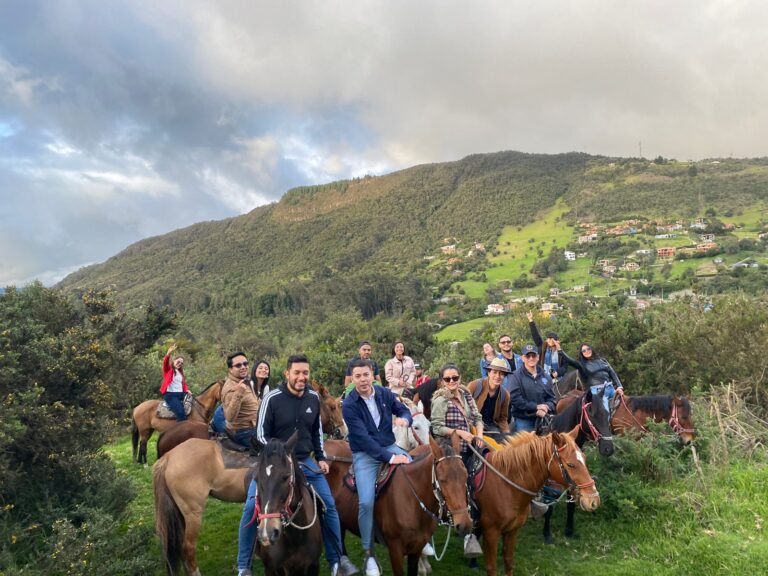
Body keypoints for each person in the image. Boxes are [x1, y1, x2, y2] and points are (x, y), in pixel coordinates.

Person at [236, 355, 359, 576]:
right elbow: (261, 434)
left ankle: (337, 559)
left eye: (305, 373)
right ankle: (244, 565)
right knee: (249, 508)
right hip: (274, 462)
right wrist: (282, 453)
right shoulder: (271, 399)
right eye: (297, 373)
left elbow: (316, 432)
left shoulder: (313, 398)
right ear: (287, 374)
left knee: (329, 505)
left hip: (304, 460)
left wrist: (320, 456)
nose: (302, 377)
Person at [342, 359, 413, 576]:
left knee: (417, 475)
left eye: (366, 375)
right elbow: (363, 440)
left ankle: (420, 535)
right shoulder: (349, 404)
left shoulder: (383, 393)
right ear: (352, 380)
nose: (363, 380)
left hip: (389, 445)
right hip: (365, 454)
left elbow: (403, 409)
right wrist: (391, 459)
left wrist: (405, 419)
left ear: (372, 374)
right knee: (365, 502)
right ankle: (368, 551)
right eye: (358, 376)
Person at [429, 364, 484, 560]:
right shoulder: (440, 399)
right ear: (442, 381)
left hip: (472, 443)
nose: (452, 382)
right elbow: (436, 427)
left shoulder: (466, 394)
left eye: (455, 377)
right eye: (447, 379)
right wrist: (460, 433)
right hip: (450, 448)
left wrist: (479, 434)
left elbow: (477, 417)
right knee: (464, 483)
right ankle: (468, 534)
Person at [558, 342, 624, 414]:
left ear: (591, 349)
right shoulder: (581, 365)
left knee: (625, 405)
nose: (586, 351)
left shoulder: (603, 360)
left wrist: (619, 387)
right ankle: (605, 425)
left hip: (610, 389)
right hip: (597, 392)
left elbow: (612, 373)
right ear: (581, 353)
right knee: (605, 413)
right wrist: (560, 350)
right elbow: (570, 360)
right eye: (584, 351)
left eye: (588, 349)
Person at [213, 358, 272, 435]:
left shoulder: (266, 388)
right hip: (224, 413)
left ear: (268, 373)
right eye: (260, 368)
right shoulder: (248, 383)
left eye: (266, 369)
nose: (263, 370)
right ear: (254, 370)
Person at [507, 344, 556, 433]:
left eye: (533, 355)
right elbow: (515, 399)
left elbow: (552, 398)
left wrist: (546, 407)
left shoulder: (546, 376)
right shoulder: (515, 376)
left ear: (537, 357)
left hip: (544, 418)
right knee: (526, 446)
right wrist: (536, 407)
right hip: (524, 419)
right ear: (522, 358)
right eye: (528, 356)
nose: (531, 358)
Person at [220, 352, 260, 446]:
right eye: (238, 365)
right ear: (230, 369)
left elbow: (253, 402)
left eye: (245, 364)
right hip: (245, 432)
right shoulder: (231, 388)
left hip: (253, 428)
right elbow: (229, 417)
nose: (243, 367)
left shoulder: (243, 381)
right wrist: (238, 393)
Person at [466, 357, 511, 438]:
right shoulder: (474, 385)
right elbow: (463, 405)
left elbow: (503, 418)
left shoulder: (505, 394)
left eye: (501, 373)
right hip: (473, 424)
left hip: (491, 427)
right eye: (494, 372)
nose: (498, 376)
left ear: (504, 376)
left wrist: (507, 434)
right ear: (489, 373)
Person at [527, 311, 566, 380]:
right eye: (549, 338)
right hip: (543, 378)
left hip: (558, 380)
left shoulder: (561, 353)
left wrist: (558, 373)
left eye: (553, 339)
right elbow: (535, 335)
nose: (550, 340)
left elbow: (564, 367)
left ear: (557, 341)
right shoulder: (542, 348)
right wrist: (531, 321)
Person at [160, 343, 189, 421]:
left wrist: (187, 390)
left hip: (181, 394)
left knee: (194, 404)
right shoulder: (168, 370)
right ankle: (180, 430)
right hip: (171, 395)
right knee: (181, 413)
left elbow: (183, 384)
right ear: (174, 361)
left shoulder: (180, 373)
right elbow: (165, 363)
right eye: (178, 361)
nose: (180, 364)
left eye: (181, 363)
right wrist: (168, 353)